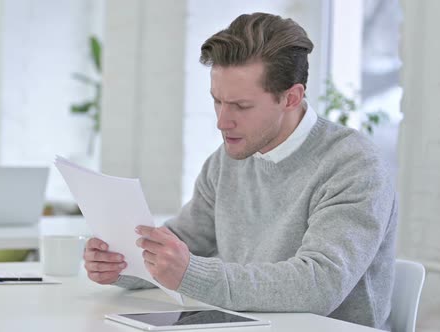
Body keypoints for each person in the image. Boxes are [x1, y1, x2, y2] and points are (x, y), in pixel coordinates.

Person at [83, 12, 397, 330]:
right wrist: (122, 263)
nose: (222, 121)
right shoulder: (227, 160)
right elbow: (184, 241)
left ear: (291, 97)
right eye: (217, 101)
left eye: (241, 106)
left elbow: (319, 285)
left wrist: (190, 273)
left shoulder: (354, 165)